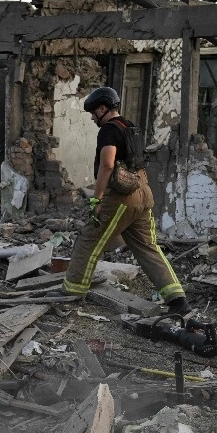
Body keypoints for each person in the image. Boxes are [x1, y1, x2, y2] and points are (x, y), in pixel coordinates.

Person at [58, 87, 193, 317]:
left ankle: (72, 293)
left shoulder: (108, 131)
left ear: (103, 108)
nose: (92, 118)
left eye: (93, 113)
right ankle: (178, 301)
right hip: (143, 192)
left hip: (122, 197)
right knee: (148, 247)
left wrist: (96, 199)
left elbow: (107, 165)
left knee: (89, 240)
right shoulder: (130, 127)